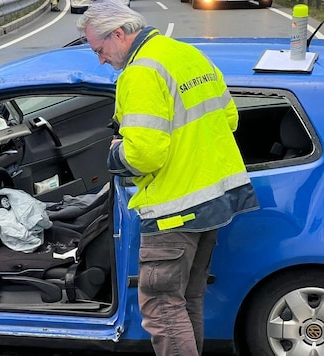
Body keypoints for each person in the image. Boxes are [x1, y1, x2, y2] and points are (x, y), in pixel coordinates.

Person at [77, 1, 259, 355]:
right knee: (186, 302)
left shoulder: (141, 72)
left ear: (118, 34)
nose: (100, 59)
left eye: (99, 50)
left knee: (161, 307)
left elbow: (144, 154)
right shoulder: (185, 54)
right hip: (214, 201)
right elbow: (230, 119)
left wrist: (115, 151)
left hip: (174, 209)